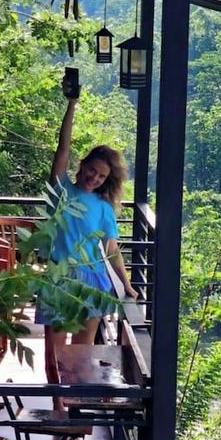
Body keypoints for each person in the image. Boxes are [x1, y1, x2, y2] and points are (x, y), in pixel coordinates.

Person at [38, 76, 139, 379]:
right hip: (58, 277)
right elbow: (62, 149)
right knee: (53, 353)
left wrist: (127, 283)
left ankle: (75, 412)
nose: (94, 177)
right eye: (91, 170)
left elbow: (111, 250)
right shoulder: (61, 189)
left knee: (82, 352)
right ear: (82, 166)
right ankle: (59, 404)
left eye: (101, 176)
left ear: (106, 181)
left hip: (92, 281)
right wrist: (72, 104)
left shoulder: (104, 208)